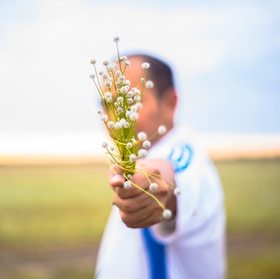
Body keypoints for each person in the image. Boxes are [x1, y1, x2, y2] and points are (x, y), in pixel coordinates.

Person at [95, 54, 226, 279]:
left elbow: (169, 174)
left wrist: (153, 187)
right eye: (108, 104)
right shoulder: (136, 159)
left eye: (130, 102)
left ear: (170, 103)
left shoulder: (187, 160)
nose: (115, 118)